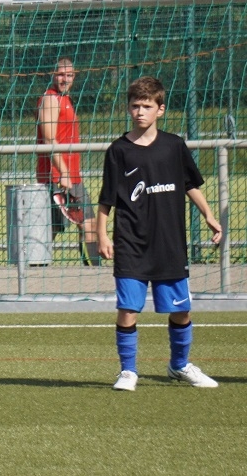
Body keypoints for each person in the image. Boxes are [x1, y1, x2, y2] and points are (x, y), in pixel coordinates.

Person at [97, 76, 222, 391]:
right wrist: (102, 235)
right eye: (135, 106)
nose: (140, 112)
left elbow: (190, 185)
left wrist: (209, 215)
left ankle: (179, 365)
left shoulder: (173, 146)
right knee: (128, 310)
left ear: (160, 109)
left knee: (181, 310)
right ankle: (128, 372)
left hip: (169, 244)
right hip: (131, 243)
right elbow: (106, 199)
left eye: (147, 106)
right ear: (128, 108)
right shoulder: (118, 151)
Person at [36, 57, 99, 265]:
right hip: (57, 177)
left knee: (85, 224)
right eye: (61, 75)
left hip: (70, 176)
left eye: (69, 75)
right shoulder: (50, 99)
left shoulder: (66, 99)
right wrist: (63, 173)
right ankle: (31, 271)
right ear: (53, 75)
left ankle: (95, 270)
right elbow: (49, 139)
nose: (65, 79)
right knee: (52, 230)